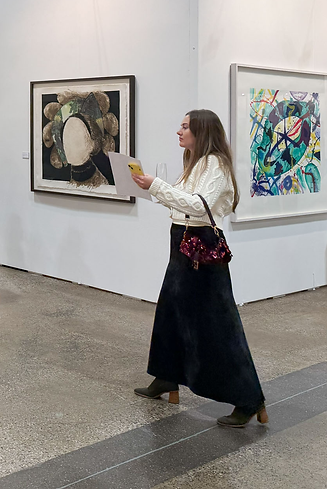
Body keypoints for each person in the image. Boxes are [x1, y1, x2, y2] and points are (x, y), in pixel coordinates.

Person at [130, 109, 268, 428]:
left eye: (185, 127)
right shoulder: (195, 163)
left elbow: (198, 205)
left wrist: (157, 185)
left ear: (202, 132)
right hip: (182, 243)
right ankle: (166, 377)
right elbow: (181, 202)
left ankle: (250, 399)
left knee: (218, 324)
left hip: (200, 249)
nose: (178, 131)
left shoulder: (215, 165)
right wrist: (149, 187)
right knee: (170, 311)